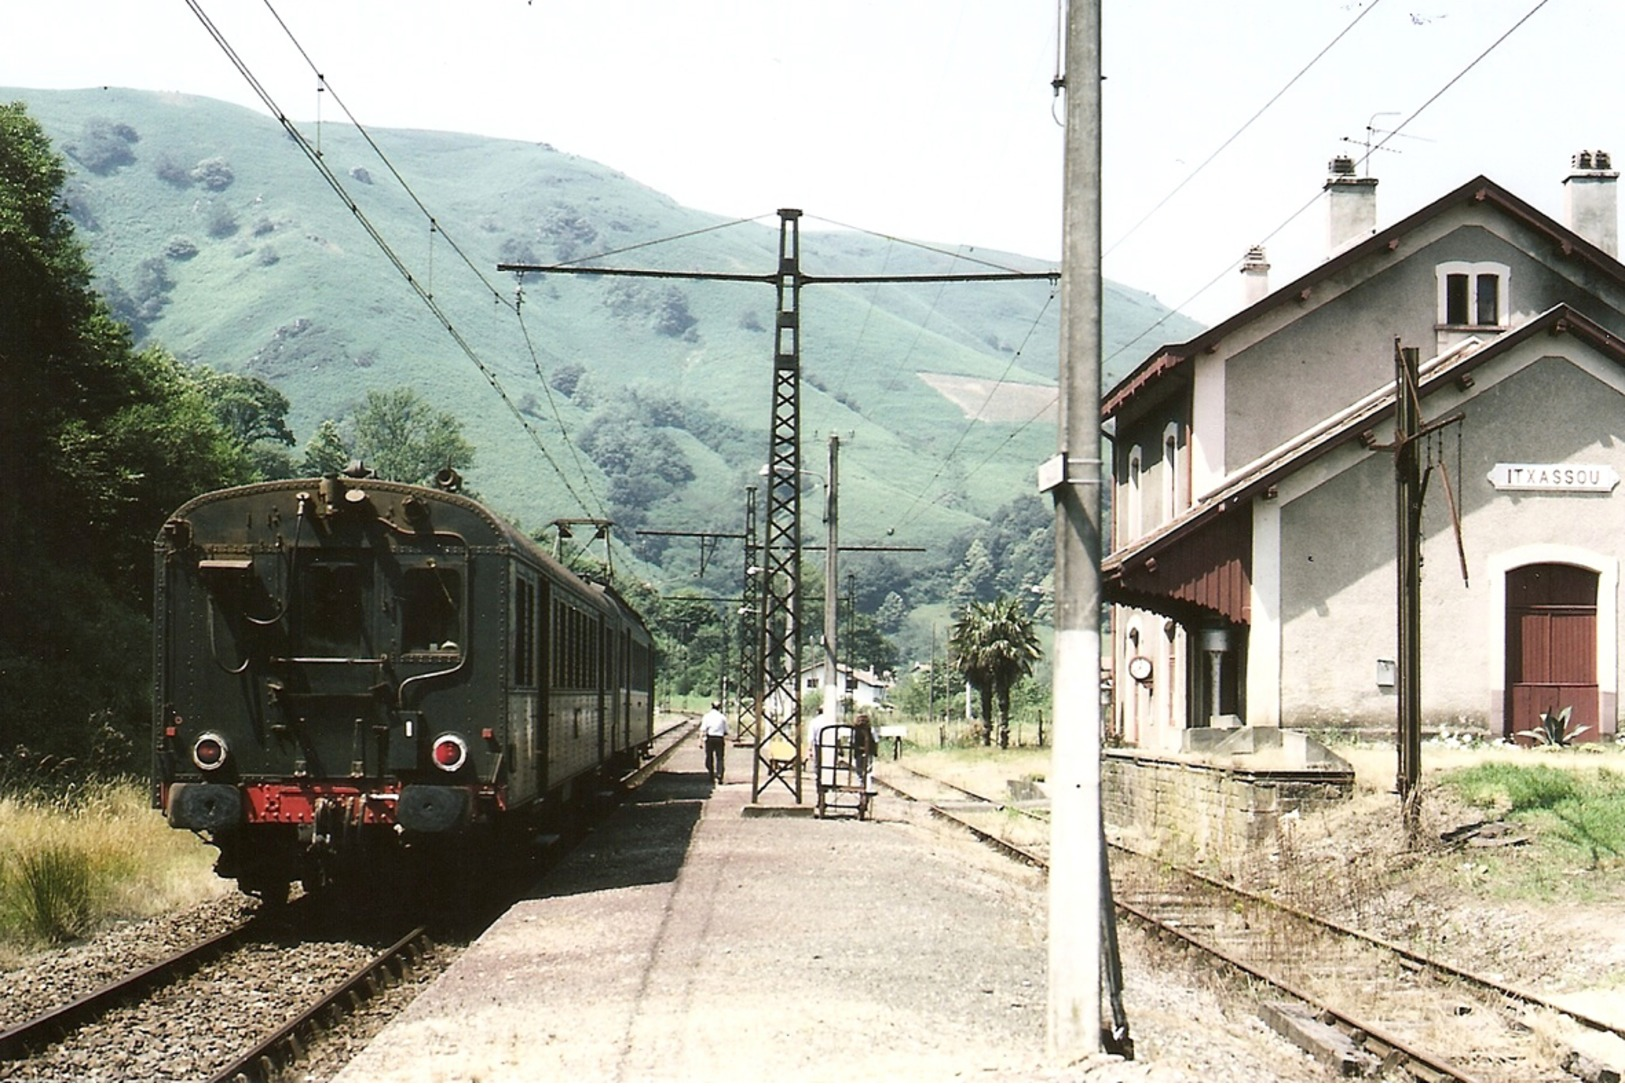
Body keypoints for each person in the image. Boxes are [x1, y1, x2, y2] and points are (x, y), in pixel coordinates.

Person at [701, 701, 728, 784]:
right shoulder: (723, 717)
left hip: (710, 738)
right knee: (720, 758)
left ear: (711, 706)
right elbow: (726, 731)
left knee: (709, 757)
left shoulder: (707, 716)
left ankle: (711, 775)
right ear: (719, 707)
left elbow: (703, 729)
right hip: (719, 738)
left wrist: (700, 740)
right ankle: (719, 774)